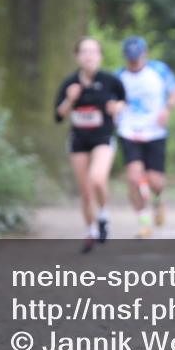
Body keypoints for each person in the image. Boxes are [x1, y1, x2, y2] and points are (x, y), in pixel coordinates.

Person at [54, 37, 126, 254]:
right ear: (77, 56)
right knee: (85, 191)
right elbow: (58, 115)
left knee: (97, 179)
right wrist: (69, 100)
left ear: (100, 56)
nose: (88, 56)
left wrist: (117, 108)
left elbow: (123, 101)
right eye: (84, 52)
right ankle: (90, 231)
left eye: (93, 52)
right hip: (78, 141)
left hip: (103, 138)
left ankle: (103, 214)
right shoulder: (69, 83)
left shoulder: (110, 80)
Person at [116, 36, 175, 237]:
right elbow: (109, 102)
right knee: (134, 177)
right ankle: (143, 221)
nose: (135, 61)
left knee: (156, 182)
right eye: (131, 58)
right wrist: (114, 107)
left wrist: (167, 109)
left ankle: (158, 200)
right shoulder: (118, 76)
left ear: (145, 54)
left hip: (155, 132)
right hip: (129, 130)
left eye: (138, 57)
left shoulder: (159, 70)